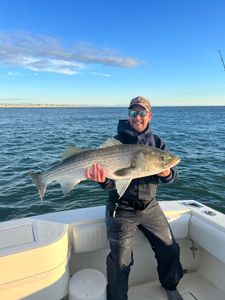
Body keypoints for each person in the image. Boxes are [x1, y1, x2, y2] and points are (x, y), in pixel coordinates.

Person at [85, 96, 184, 300]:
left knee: (170, 249)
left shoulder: (157, 144)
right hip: (121, 209)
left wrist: (166, 172)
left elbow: (173, 176)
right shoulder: (117, 143)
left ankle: (170, 286)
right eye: (133, 113)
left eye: (141, 113)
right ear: (128, 116)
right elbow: (112, 185)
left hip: (150, 207)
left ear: (149, 115)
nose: (137, 117)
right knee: (120, 261)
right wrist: (102, 180)